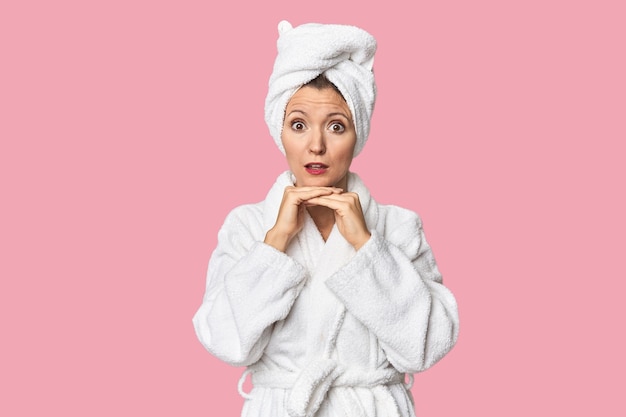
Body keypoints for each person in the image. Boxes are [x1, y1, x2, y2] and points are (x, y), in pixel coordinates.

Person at [193, 20, 459, 417]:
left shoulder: (398, 227)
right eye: (298, 125)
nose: (316, 145)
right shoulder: (248, 226)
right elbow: (226, 343)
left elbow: (426, 347)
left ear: (359, 134)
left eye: (336, 126)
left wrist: (369, 249)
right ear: (278, 130)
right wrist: (276, 242)